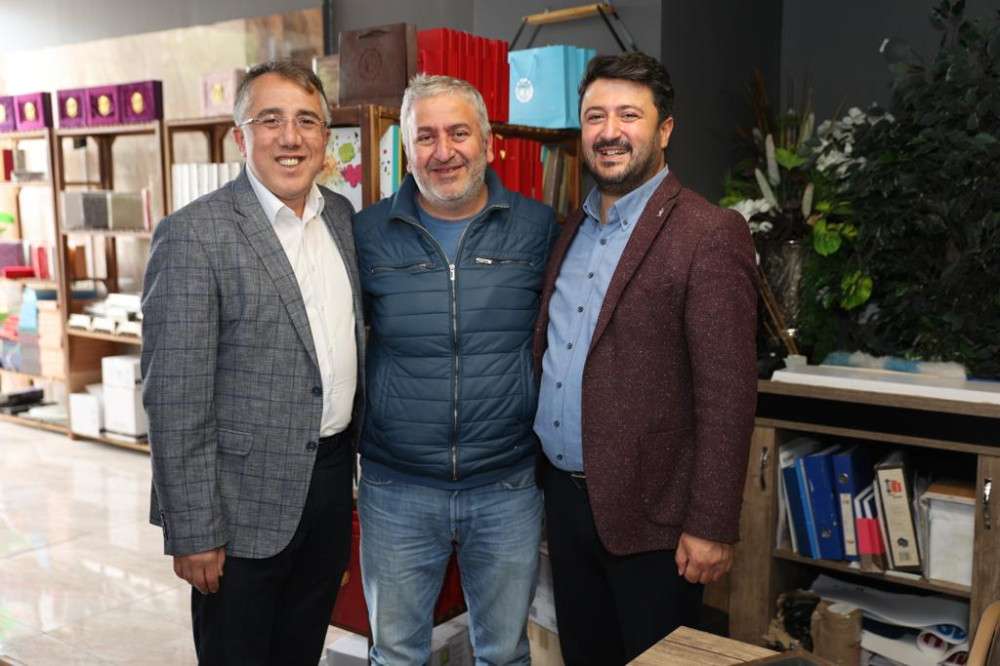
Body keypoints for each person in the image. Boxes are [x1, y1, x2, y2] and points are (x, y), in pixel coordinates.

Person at [532, 51, 758, 665]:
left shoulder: (708, 234)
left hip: (657, 522)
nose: (609, 131)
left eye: (629, 115)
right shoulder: (570, 229)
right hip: (567, 506)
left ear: (664, 130)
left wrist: (711, 524)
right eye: (595, 116)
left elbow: (728, 395)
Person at [141, 60, 364, 666]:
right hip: (237, 509)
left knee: (301, 651)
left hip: (327, 488)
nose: (290, 137)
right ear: (240, 137)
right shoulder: (194, 235)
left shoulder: (342, 218)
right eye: (270, 120)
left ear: (326, 138)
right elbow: (174, 397)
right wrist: (193, 529)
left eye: (306, 121)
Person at [353, 73, 559, 665]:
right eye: (426, 137)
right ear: (406, 149)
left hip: (506, 485)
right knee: (396, 655)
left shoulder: (539, 228)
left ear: (489, 142)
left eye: (458, 133)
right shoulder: (366, 233)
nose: (443, 152)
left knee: (504, 654)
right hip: (396, 486)